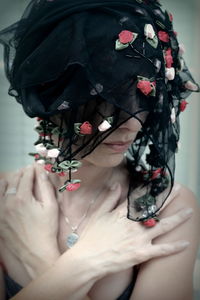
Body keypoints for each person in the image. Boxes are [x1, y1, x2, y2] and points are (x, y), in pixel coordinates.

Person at [0, 0, 200, 299]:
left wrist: (41, 259)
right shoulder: (6, 200)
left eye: (143, 100)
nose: (132, 124)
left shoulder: (167, 207)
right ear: (54, 97)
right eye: (109, 99)